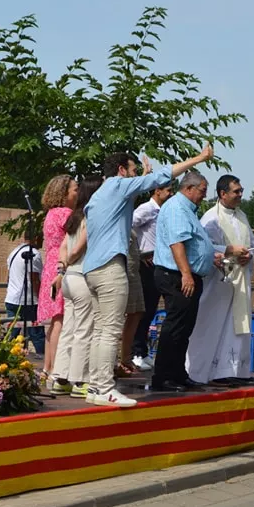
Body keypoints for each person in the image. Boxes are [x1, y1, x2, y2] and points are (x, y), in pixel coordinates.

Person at [83, 145, 213, 407]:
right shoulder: (117, 185)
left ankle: (96, 386)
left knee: (100, 331)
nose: (136, 176)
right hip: (110, 267)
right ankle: (105, 388)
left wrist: (142, 174)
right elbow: (162, 176)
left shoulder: (99, 195)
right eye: (133, 171)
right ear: (121, 171)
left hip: (93, 268)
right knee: (110, 331)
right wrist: (199, 158)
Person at [151, 171, 226, 392]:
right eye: (202, 190)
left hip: (186, 275)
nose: (204, 195)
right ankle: (163, 376)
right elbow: (177, 243)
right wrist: (186, 273)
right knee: (175, 327)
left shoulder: (188, 210)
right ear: (189, 188)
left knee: (184, 328)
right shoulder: (177, 208)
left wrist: (209, 257)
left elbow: (193, 244)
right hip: (176, 276)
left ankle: (178, 374)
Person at [186, 174, 254, 386]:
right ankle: (204, 372)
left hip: (239, 280)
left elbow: (252, 243)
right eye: (236, 191)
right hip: (217, 281)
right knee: (213, 324)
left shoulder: (242, 217)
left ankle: (234, 370)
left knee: (235, 326)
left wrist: (248, 256)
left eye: (241, 190)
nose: (240, 194)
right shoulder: (211, 218)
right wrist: (228, 251)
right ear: (222, 194)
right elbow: (203, 246)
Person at [51, 175, 101, 399]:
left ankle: (60, 378)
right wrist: (72, 259)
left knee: (68, 329)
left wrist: (62, 267)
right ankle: (80, 380)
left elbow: (63, 247)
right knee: (84, 330)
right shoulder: (90, 216)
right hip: (81, 276)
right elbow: (78, 247)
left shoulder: (73, 216)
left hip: (68, 279)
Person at [37, 175, 77, 388]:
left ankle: (47, 366)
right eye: (74, 189)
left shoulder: (50, 214)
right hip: (62, 266)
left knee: (54, 320)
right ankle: (56, 369)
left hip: (49, 265)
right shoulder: (66, 214)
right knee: (61, 318)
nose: (77, 193)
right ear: (64, 193)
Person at [130, 184, 173, 370]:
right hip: (146, 265)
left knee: (150, 310)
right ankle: (135, 352)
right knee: (143, 310)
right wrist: (139, 252)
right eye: (168, 190)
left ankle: (142, 350)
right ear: (157, 191)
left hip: (157, 263)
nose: (170, 194)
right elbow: (128, 225)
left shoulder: (162, 211)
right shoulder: (146, 209)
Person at [4, 230, 45, 355]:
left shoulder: (13, 253)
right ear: (36, 237)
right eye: (41, 237)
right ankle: (43, 360)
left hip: (11, 299)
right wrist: (41, 299)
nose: (43, 240)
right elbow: (34, 279)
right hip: (28, 301)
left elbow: (8, 278)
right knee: (37, 334)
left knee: (12, 335)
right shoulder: (34, 254)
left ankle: (4, 359)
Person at [117, 229, 145, 377]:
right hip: (123, 271)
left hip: (134, 271)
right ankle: (117, 362)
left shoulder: (128, 222)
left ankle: (126, 358)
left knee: (136, 312)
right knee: (115, 316)